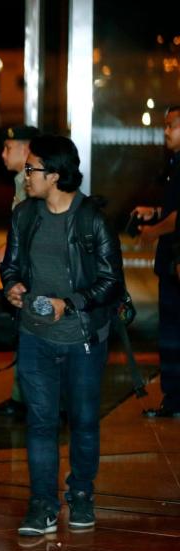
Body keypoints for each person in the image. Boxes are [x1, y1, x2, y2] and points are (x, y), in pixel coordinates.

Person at [0, 135, 123, 536]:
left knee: (84, 421)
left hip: (83, 339)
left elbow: (111, 283)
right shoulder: (24, 215)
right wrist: (13, 286)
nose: (26, 174)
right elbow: (12, 265)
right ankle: (42, 504)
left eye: (32, 168)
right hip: (35, 337)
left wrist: (66, 305)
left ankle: (82, 493)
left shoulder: (91, 220)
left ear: (53, 175)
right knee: (40, 423)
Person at [135, 104, 180, 418]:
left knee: (173, 333)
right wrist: (154, 213)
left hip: (176, 263)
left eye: (171, 125)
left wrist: (153, 231)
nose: (165, 131)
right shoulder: (175, 163)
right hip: (171, 263)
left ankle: (175, 399)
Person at [0, 124, 40, 417]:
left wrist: (7, 249)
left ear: (25, 150)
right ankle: (20, 396)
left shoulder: (32, 182)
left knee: (32, 332)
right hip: (25, 271)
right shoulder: (21, 181)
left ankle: (28, 399)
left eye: (9, 147)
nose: (3, 154)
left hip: (33, 274)